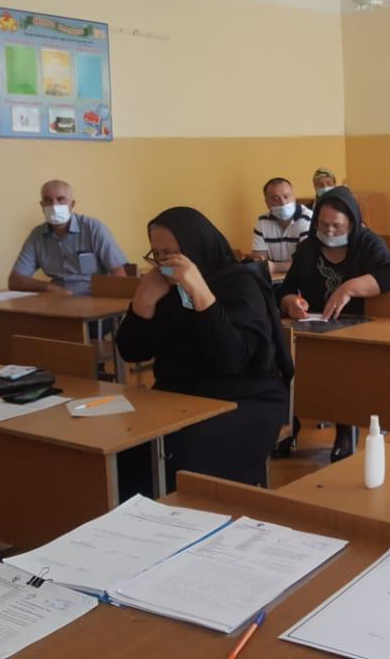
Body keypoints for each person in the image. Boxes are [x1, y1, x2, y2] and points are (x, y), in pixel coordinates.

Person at [114, 207, 293, 494]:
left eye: (171, 254)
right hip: (179, 395)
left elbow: (233, 359)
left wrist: (200, 292)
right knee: (125, 444)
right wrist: (143, 302)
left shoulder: (239, 282)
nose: (163, 263)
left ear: (195, 248)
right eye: (156, 255)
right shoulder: (163, 286)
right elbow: (132, 351)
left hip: (245, 397)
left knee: (181, 449)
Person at [278, 186, 390, 461]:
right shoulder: (308, 249)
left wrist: (350, 287)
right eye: (323, 224)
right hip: (316, 329)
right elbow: (285, 290)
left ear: (352, 223)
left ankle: (345, 429)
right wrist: (291, 302)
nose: (329, 231)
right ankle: (290, 424)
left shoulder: (367, 243)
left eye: (337, 226)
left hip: (360, 330)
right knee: (284, 354)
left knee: (341, 362)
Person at [9, 180, 128, 296]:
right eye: (48, 200)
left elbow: (120, 274)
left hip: (94, 301)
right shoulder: (37, 235)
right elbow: (15, 280)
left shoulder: (93, 229)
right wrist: (49, 288)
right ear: (42, 205)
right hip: (56, 301)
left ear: (72, 204)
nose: (54, 206)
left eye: (60, 199)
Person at [251, 177, 312, 275]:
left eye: (286, 196)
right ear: (267, 203)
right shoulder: (262, 222)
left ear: (294, 197)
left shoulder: (308, 219)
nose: (283, 203)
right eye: (275, 199)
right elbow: (259, 262)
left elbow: (307, 261)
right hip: (272, 280)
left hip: (301, 278)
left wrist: (275, 267)